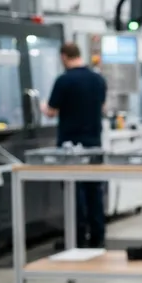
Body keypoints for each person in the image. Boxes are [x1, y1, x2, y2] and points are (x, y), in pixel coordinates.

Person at [42, 43, 107, 248]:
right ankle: (97, 236)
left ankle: (77, 238)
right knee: (94, 190)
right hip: (94, 144)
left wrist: (42, 105)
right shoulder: (98, 79)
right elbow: (103, 107)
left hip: (70, 146)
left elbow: (51, 111)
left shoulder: (63, 80)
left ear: (64, 57)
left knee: (73, 191)